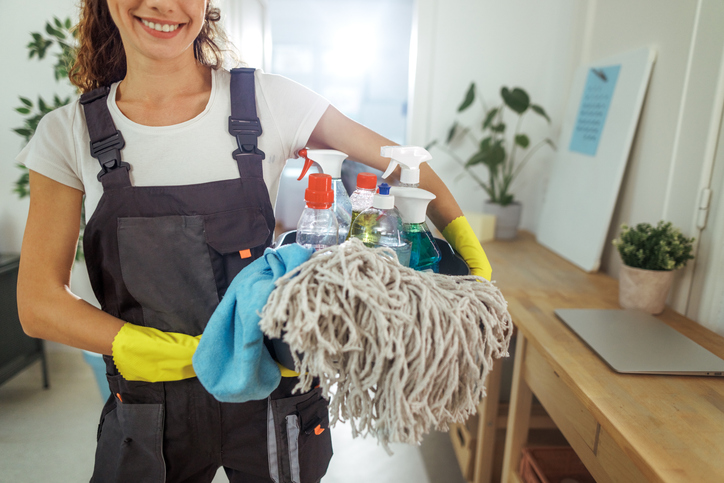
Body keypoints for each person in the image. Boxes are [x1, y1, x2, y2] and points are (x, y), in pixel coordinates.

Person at [15, 0, 492, 482]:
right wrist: (145, 347)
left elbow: (405, 164)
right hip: (149, 404)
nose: (162, 4)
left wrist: (465, 247)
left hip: (270, 394)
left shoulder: (266, 101)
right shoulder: (69, 133)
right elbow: (38, 303)